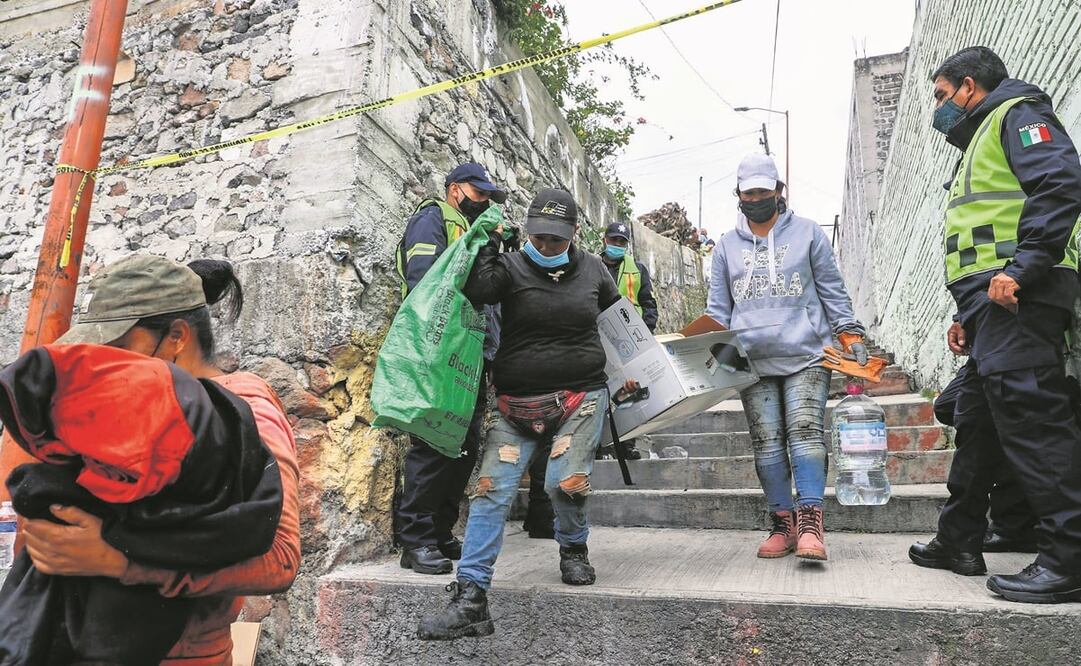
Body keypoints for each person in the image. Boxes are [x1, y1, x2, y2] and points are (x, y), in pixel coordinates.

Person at [16, 254, 300, 663]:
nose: (104, 363)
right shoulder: (130, 409)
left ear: (177, 337)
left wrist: (118, 561)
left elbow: (280, 560)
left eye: (117, 347)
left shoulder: (245, 412)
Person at [905, 46, 1081, 603]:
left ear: (969, 86)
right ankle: (958, 538)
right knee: (976, 420)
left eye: (941, 95)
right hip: (990, 305)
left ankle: (1068, 560)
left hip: (1019, 298)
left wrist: (1024, 268)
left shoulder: (1019, 115)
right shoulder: (983, 135)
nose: (939, 109)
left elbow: (1061, 185)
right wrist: (965, 313)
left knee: (1034, 422)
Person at [416, 188, 628, 640]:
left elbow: (620, 326)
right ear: (527, 231)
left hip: (580, 397)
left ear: (574, 233)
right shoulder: (509, 267)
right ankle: (471, 599)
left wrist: (631, 373)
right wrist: (491, 245)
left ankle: (573, 549)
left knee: (563, 483)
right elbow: (475, 291)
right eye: (539, 237)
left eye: (556, 239)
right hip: (514, 404)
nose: (547, 246)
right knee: (490, 492)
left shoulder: (594, 270)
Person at [706, 153, 869, 562]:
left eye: (765, 190)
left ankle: (812, 522)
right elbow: (718, 310)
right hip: (752, 361)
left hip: (808, 354)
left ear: (780, 191)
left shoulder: (810, 234)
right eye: (750, 193)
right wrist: (713, 354)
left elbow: (831, 288)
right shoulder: (725, 247)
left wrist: (849, 332)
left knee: (805, 432)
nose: (758, 198)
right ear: (739, 196)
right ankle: (783, 524)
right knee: (766, 444)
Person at [394, 162, 508, 575]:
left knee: (464, 448)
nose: (485, 203)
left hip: (472, 355)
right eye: (479, 195)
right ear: (455, 189)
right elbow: (426, 281)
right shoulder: (431, 219)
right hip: (438, 353)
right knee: (432, 445)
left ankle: (440, 531)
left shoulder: (471, 230)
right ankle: (416, 539)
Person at [932, 353, 1037, 553]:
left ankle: (965, 542)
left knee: (990, 416)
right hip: (984, 346)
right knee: (952, 406)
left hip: (1009, 344)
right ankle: (1012, 526)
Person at [595, 221, 659, 461]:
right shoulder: (591, 265)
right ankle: (598, 444)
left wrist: (644, 333)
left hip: (628, 341)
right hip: (597, 337)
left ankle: (626, 444)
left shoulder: (638, 269)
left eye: (622, 242)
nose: (617, 245)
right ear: (605, 240)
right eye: (614, 241)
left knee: (629, 391)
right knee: (599, 391)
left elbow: (648, 304)